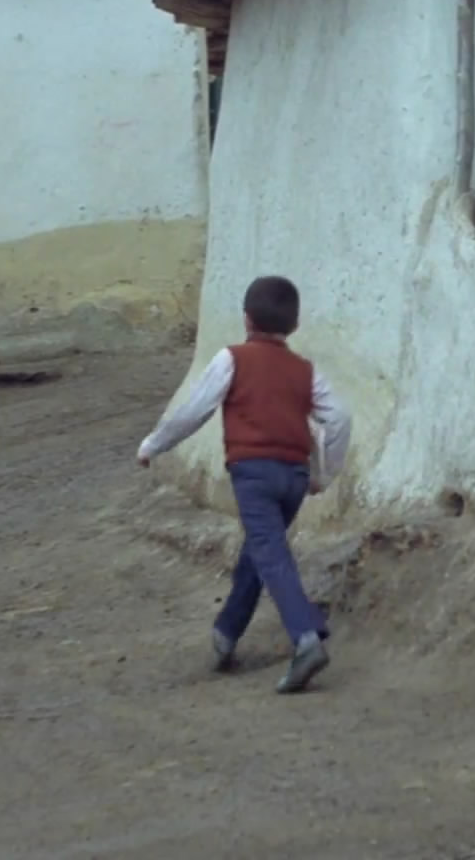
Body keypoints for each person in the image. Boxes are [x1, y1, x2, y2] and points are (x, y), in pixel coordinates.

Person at [136, 275, 352, 694]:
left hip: (253, 473)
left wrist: (153, 444)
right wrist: (324, 473)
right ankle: (226, 634)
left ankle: (306, 638)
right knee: (257, 551)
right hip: (293, 476)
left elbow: (193, 411)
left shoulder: (232, 359)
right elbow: (339, 418)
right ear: (294, 323)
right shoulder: (306, 371)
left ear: (246, 318)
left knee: (269, 553)